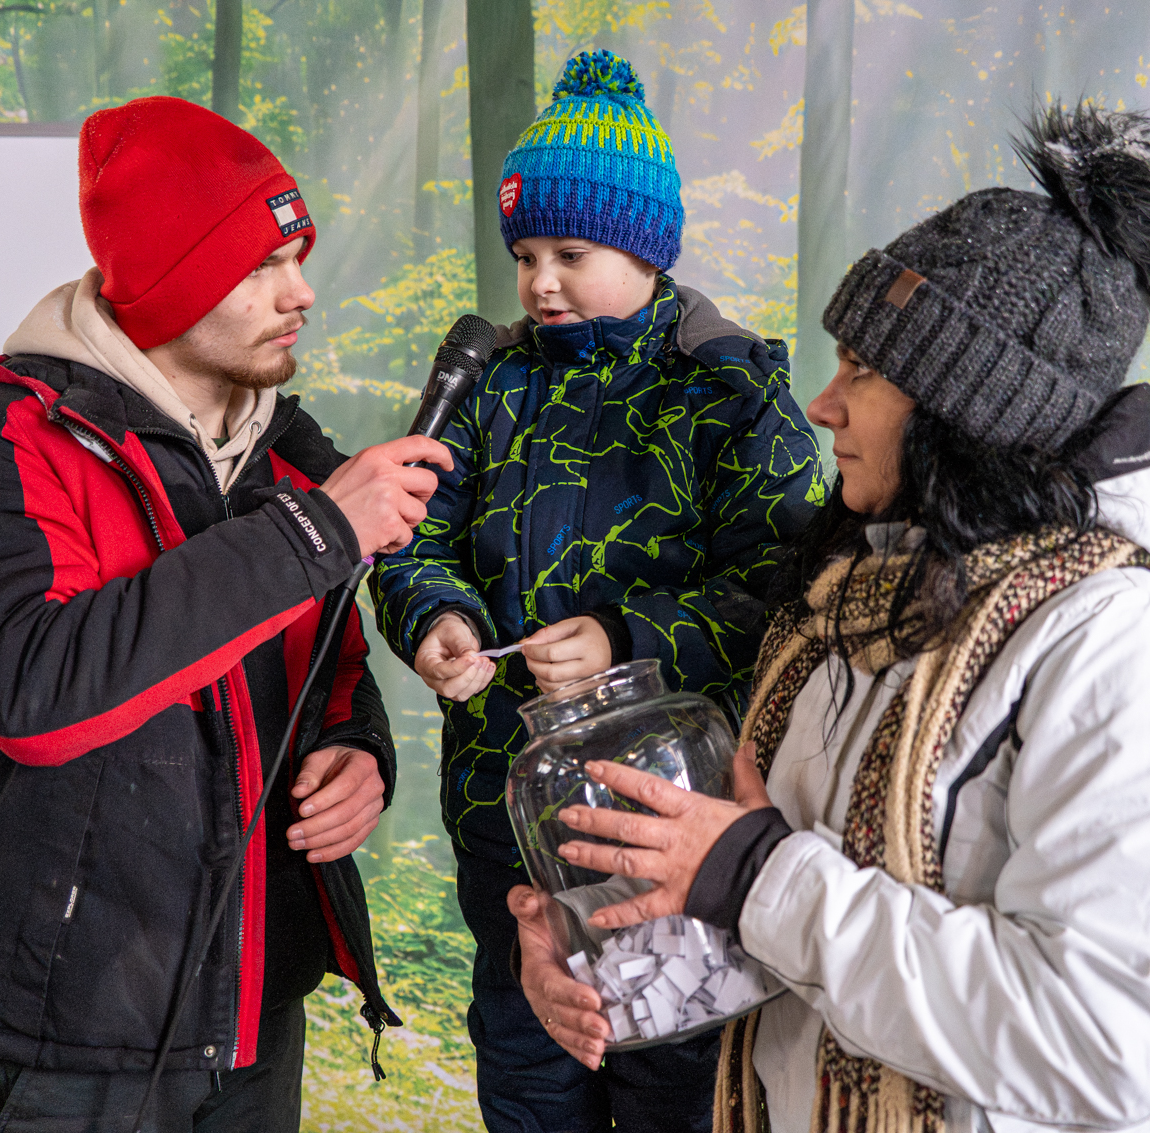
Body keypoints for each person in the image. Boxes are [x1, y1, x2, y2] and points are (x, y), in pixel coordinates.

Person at [523, 102, 1150, 1133]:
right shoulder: (849, 605)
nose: (821, 405)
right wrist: (594, 943)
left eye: (863, 374)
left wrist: (752, 872)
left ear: (970, 411)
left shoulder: (1128, 661)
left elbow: (1106, 1041)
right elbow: (782, 929)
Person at [0, 96, 451, 1133]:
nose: (300, 291)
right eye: (261, 265)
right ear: (167, 281)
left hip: (257, 1019)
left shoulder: (292, 449)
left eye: (298, 256)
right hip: (71, 1037)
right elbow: (34, 695)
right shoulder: (13, 437)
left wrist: (358, 754)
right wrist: (309, 536)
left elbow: (329, 671)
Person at [369, 50, 824, 1133]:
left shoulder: (726, 387)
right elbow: (405, 534)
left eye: (570, 252)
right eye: (523, 253)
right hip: (506, 830)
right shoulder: (488, 386)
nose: (538, 282)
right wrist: (437, 621)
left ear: (645, 246)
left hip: (666, 831)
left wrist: (630, 636)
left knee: (674, 1082)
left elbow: (779, 583)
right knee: (528, 1079)